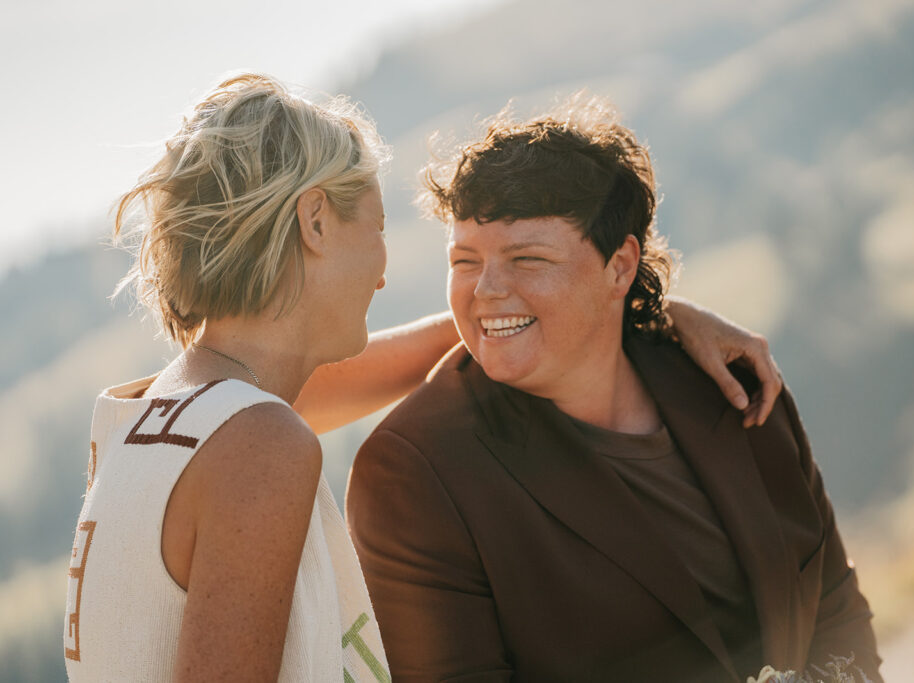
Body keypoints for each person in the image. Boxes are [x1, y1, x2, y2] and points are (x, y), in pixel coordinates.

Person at [64, 75, 780, 682]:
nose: (382, 269)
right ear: (315, 220)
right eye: (375, 227)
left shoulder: (157, 420)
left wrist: (625, 305)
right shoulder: (260, 444)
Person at [346, 95, 883, 683]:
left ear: (621, 266)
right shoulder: (413, 475)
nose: (486, 291)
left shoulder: (731, 383)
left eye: (526, 258)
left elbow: (836, 611)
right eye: (466, 261)